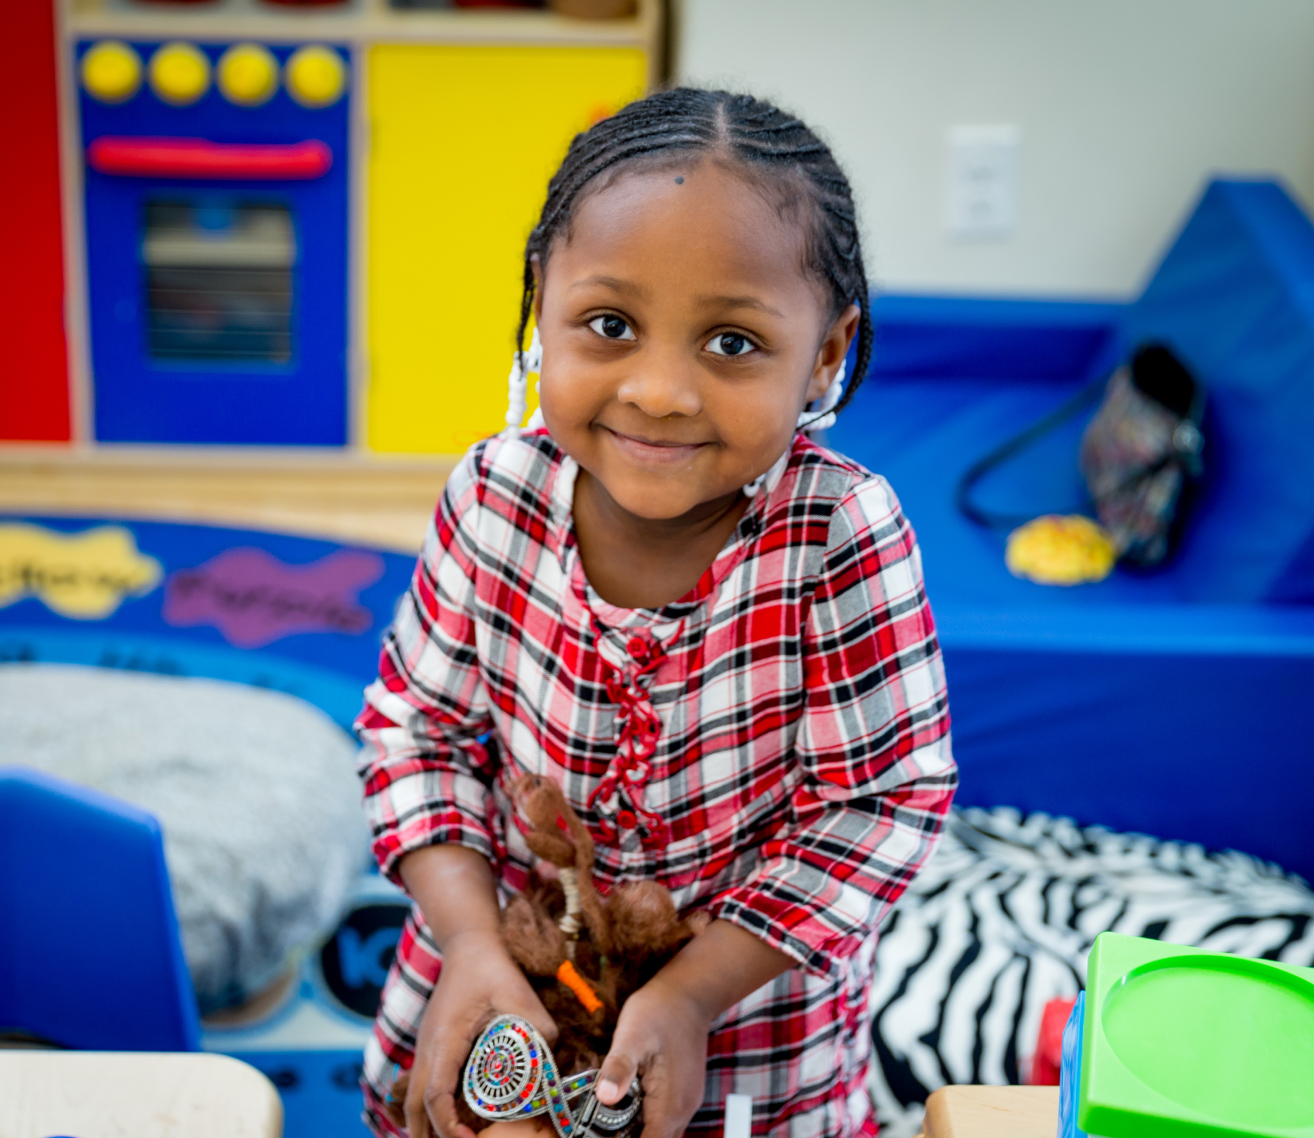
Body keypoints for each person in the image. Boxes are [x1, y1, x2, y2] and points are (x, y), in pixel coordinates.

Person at [356, 87, 956, 1138]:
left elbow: (880, 809)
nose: (662, 390)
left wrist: (688, 995)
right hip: (500, 965)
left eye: (730, 343)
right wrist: (472, 949)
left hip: (745, 1025)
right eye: (610, 325)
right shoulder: (495, 495)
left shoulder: (842, 534)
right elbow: (417, 733)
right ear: (542, 305)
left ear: (822, 355)